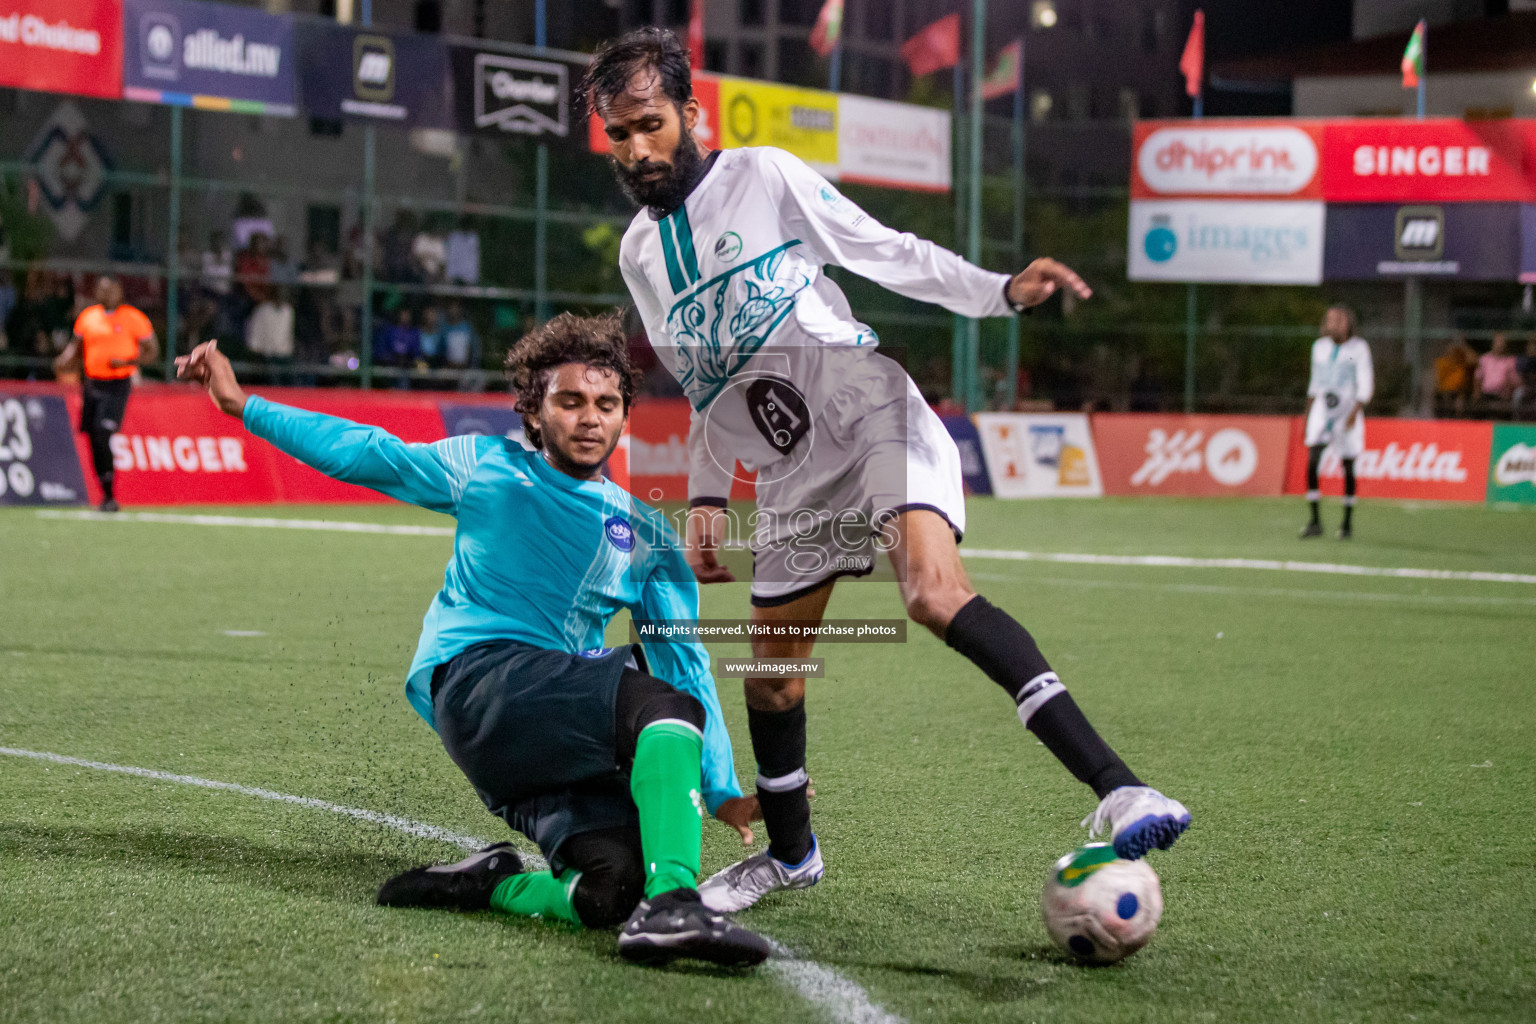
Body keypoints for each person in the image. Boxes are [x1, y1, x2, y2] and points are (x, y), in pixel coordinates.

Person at [588, 28, 1191, 913]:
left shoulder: (762, 176)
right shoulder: (638, 254)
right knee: (772, 674)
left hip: (864, 404)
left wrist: (999, 291)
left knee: (930, 593)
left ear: (689, 112)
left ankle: (1119, 789)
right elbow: (701, 380)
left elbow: (885, 250)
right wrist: (709, 494)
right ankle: (791, 857)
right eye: (618, 135)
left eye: (648, 124)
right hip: (790, 469)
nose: (637, 149)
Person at [173, 313, 770, 967]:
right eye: (570, 402)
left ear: (626, 414)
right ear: (534, 412)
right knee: (656, 703)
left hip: (548, 729)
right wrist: (242, 406)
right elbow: (370, 453)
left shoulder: (647, 536)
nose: (590, 418)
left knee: (610, 889)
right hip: (477, 680)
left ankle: (496, 882)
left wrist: (722, 789)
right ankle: (676, 903)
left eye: (607, 404)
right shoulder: (486, 465)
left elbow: (683, 658)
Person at [53, 276, 158, 512]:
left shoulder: (133, 317)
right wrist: (64, 360)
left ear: (119, 291)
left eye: (109, 290)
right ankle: (106, 492)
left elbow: (153, 351)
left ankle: (110, 493)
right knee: (92, 434)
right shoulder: (87, 317)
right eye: (100, 289)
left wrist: (129, 361)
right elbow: (76, 346)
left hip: (118, 383)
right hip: (92, 382)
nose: (104, 294)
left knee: (103, 430)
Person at [1301, 305, 1373, 540]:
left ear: (1348, 323)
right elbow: (1315, 381)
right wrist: (1308, 411)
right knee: (1312, 461)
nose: (1333, 323)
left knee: (1348, 466)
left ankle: (1347, 523)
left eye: (1338, 320)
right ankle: (1314, 521)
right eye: (1330, 319)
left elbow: (1363, 378)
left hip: (1346, 411)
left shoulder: (1356, 349)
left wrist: (1355, 410)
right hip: (1322, 409)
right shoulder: (1319, 348)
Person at [1433, 335, 1476, 418]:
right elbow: (1437, 382)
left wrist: (1464, 346)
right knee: (1443, 399)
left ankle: (1458, 421)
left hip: (1461, 393)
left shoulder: (1462, 361)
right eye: (1450, 346)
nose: (1452, 349)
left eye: (1454, 345)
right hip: (1445, 393)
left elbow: (1474, 360)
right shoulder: (1441, 362)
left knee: (1460, 401)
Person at [1474, 332, 1519, 408]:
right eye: (1498, 342)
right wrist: (1476, 394)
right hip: (1486, 395)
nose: (1500, 344)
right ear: (1493, 343)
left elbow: (1514, 382)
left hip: (1503, 396)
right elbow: (1478, 378)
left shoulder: (1511, 360)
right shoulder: (1485, 358)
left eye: (1502, 342)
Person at [1514, 338, 1536, 422]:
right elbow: (1521, 375)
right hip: (1525, 386)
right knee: (1517, 394)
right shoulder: (1523, 359)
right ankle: (1516, 421)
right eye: (1531, 346)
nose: (1533, 348)